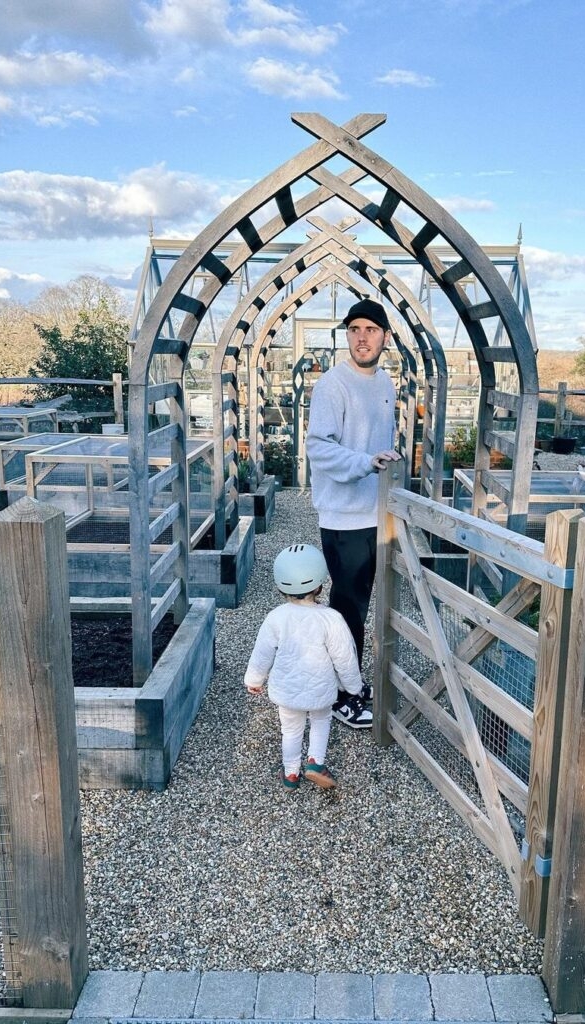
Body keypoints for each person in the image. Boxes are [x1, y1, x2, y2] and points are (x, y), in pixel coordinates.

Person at [305, 297, 400, 729]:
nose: (362, 338)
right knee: (348, 610)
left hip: (376, 514)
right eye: (355, 329)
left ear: (385, 337)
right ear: (347, 336)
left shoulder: (385, 385)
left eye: (371, 330)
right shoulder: (332, 385)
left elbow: (382, 440)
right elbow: (319, 447)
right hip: (344, 518)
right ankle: (344, 696)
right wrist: (365, 463)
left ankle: (349, 682)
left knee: (364, 607)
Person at [244, 543, 368, 791]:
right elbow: (344, 657)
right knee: (321, 721)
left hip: (287, 691)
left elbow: (262, 652)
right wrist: (353, 686)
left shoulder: (276, 617)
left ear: (280, 585)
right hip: (320, 690)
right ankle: (315, 763)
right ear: (321, 584)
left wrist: (254, 680)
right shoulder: (330, 618)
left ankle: (291, 774)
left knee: (290, 730)